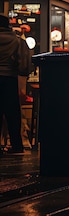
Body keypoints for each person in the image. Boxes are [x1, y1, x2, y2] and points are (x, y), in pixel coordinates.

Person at [0, 15, 32, 155]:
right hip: (10, 78)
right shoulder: (17, 41)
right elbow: (24, 65)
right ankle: (17, 146)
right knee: (12, 114)